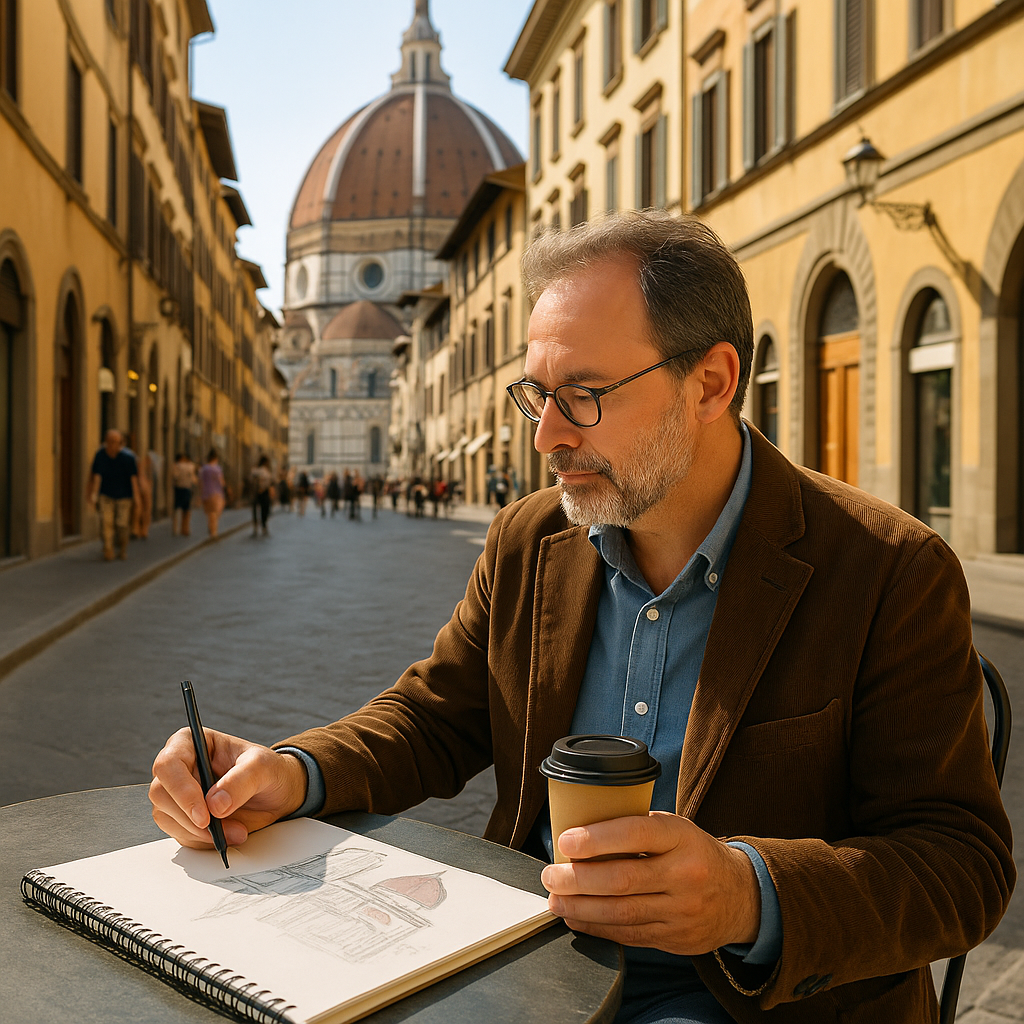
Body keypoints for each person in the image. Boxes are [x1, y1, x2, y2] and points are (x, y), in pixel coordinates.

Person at [150, 212, 1014, 1024]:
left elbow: (963, 864)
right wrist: (292, 771)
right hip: (531, 964)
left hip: (756, 1000)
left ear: (710, 382)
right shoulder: (531, 541)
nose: (546, 437)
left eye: (586, 395)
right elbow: (437, 717)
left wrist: (745, 891)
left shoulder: (887, 570)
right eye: (536, 395)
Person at [87, 429, 140, 560]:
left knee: (122, 525)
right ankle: (108, 550)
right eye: (110, 442)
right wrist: (93, 495)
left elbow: (133, 480)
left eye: (116, 442)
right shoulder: (100, 455)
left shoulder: (128, 458)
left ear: (121, 443)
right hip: (105, 495)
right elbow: (96, 476)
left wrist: (137, 497)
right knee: (106, 523)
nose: (113, 445)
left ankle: (122, 549)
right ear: (105, 442)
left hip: (124, 497)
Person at [198, 449, 226, 538]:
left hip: (206, 493)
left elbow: (200, 482)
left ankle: (212, 528)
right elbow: (221, 482)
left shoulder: (203, 469)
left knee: (210, 513)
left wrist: (201, 493)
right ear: (216, 459)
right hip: (217, 494)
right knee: (216, 512)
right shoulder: (217, 469)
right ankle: (213, 531)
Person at [171, 453, 197, 537]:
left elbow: (175, 476)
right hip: (186, 488)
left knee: (177, 509)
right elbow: (194, 479)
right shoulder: (190, 466)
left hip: (178, 488)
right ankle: (185, 529)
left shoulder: (176, 466)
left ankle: (176, 529)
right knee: (186, 510)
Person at [132, 449, 154, 539]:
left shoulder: (147, 468)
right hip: (141, 487)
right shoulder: (140, 468)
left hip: (145, 487)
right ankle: (138, 529)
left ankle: (142, 529)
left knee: (144, 509)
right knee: (139, 508)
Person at [251, 456, 274, 537]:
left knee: (256, 511)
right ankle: (263, 527)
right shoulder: (265, 471)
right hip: (263, 492)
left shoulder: (256, 470)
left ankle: (256, 528)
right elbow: (269, 483)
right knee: (264, 510)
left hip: (256, 492)